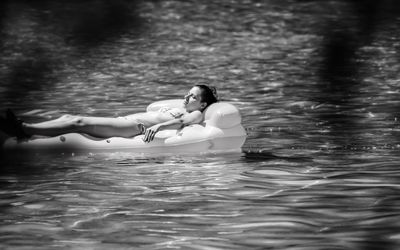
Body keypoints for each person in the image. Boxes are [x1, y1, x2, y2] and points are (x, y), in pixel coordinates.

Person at [0, 85, 218, 143]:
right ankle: (25, 128)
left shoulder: (197, 115)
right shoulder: (180, 106)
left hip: (132, 129)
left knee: (77, 122)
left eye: (192, 97)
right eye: (188, 93)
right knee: (68, 117)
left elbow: (183, 120)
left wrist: (158, 127)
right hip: (124, 122)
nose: (186, 97)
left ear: (202, 104)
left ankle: (23, 129)